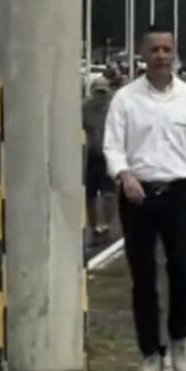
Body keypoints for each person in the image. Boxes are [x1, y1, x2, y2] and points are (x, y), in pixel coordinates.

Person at [104, 26, 186, 371]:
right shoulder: (125, 99)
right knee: (143, 277)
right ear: (143, 54)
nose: (162, 56)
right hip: (138, 195)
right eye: (155, 50)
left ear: (175, 54)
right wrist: (124, 175)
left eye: (167, 50)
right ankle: (151, 352)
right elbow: (112, 146)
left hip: (179, 193)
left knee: (182, 269)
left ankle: (179, 340)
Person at [82, 76, 116, 245]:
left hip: (108, 156)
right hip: (91, 156)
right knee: (90, 194)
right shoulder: (85, 108)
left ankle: (106, 225)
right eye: (97, 92)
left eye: (103, 92)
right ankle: (94, 226)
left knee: (109, 193)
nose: (100, 96)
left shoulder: (113, 109)